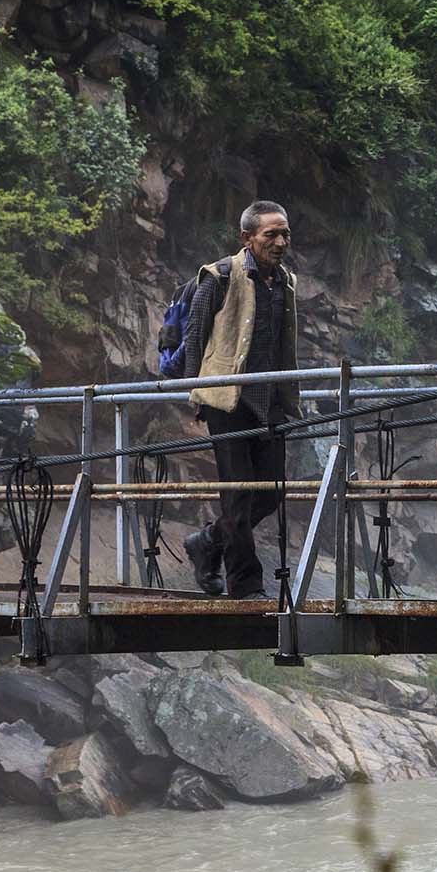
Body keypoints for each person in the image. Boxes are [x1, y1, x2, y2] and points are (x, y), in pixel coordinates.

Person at [177, 200, 299, 599]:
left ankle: (208, 542)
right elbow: (195, 337)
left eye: (284, 234)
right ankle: (245, 586)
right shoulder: (219, 276)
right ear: (247, 237)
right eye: (271, 235)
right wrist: (198, 392)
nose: (279, 242)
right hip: (227, 401)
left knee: (272, 491)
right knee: (238, 492)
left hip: (270, 403)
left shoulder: (285, 281)